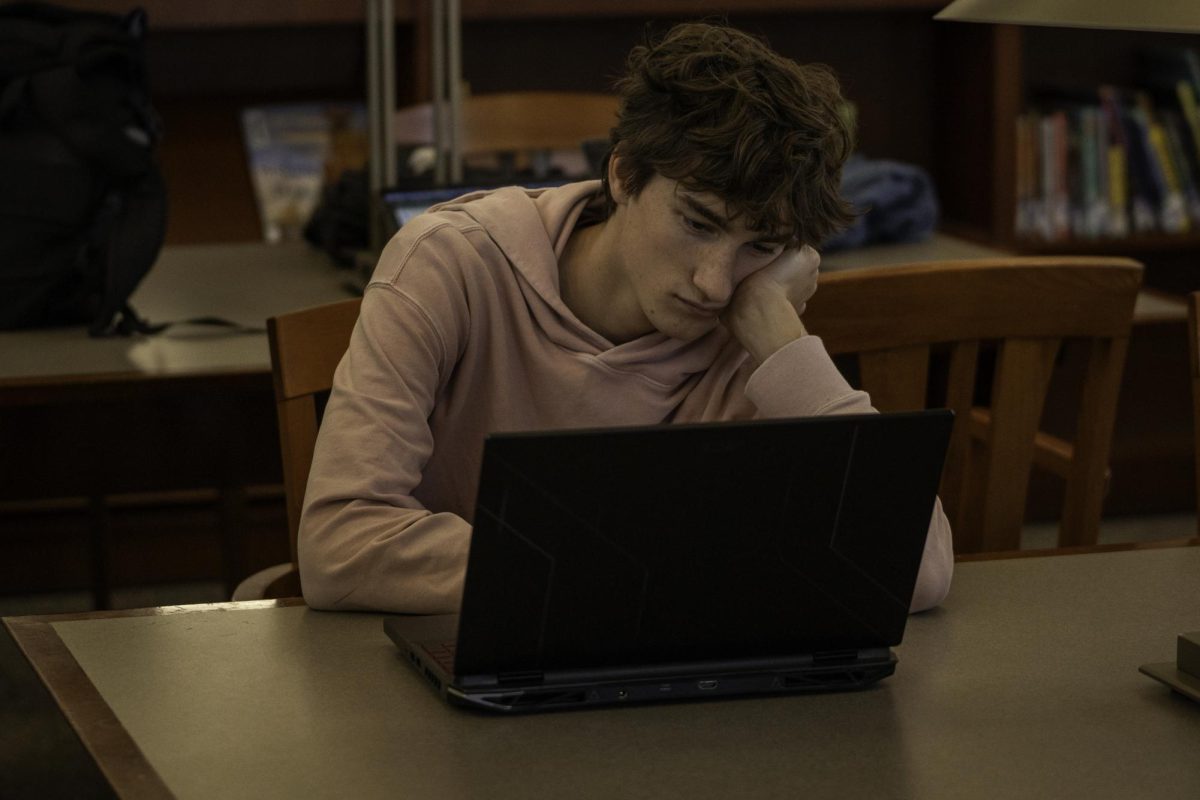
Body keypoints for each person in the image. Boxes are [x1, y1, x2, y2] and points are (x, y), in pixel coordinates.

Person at [298, 21, 953, 614]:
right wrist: (633, 569)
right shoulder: (453, 261)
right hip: (460, 677)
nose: (714, 282)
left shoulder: (750, 317)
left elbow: (916, 570)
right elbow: (339, 544)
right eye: (697, 223)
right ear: (623, 174)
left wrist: (779, 339)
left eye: (761, 245)